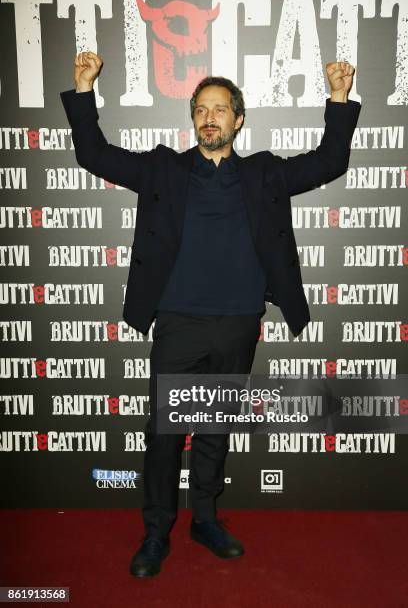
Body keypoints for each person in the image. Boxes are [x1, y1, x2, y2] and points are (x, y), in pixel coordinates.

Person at [60, 52, 361, 577]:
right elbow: (94, 155)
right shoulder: (162, 169)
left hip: (240, 321)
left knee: (215, 427)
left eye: (220, 109)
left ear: (237, 119)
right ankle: (156, 532)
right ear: (193, 118)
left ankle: (204, 519)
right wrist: (84, 90)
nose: (210, 117)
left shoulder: (264, 173)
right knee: (166, 434)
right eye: (202, 109)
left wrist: (337, 99)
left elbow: (329, 161)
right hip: (178, 321)